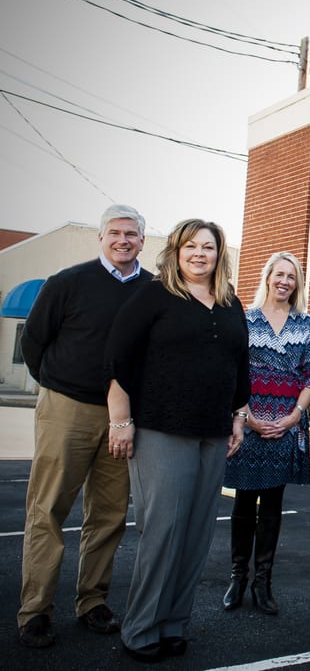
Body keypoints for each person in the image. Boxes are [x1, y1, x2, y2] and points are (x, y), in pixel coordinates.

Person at [105, 218, 250, 663]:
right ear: (176, 250)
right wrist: (120, 421)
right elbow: (118, 358)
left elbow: (240, 365)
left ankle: (173, 623)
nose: (199, 254)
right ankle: (141, 628)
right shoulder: (155, 295)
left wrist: (238, 416)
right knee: (164, 530)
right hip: (162, 428)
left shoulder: (229, 301)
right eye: (191, 246)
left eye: (208, 246)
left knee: (197, 532)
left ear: (219, 254)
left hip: (213, 431)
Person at [16, 205, 152, 649]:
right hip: (67, 408)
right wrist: (58, 386)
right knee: (48, 509)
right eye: (114, 232)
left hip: (123, 418)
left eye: (131, 233)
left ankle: (92, 601)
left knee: (109, 514)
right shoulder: (67, 282)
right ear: (101, 237)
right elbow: (34, 342)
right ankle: (35, 610)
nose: (122, 240)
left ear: (142, 240)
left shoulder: (154, 290)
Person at [222, 252, 310, 615]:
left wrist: (294, 417)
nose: (284, 281)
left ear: (297, 284)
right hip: (248, 422)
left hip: (285, 425)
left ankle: (263, 583)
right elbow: (233, 369)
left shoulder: (304, 323)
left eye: (291, 277)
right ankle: (238, 577)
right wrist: (245, 416)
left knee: (273, 506)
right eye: (279, 274)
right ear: (267, 277)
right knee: (244, 503)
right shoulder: (246, 319)